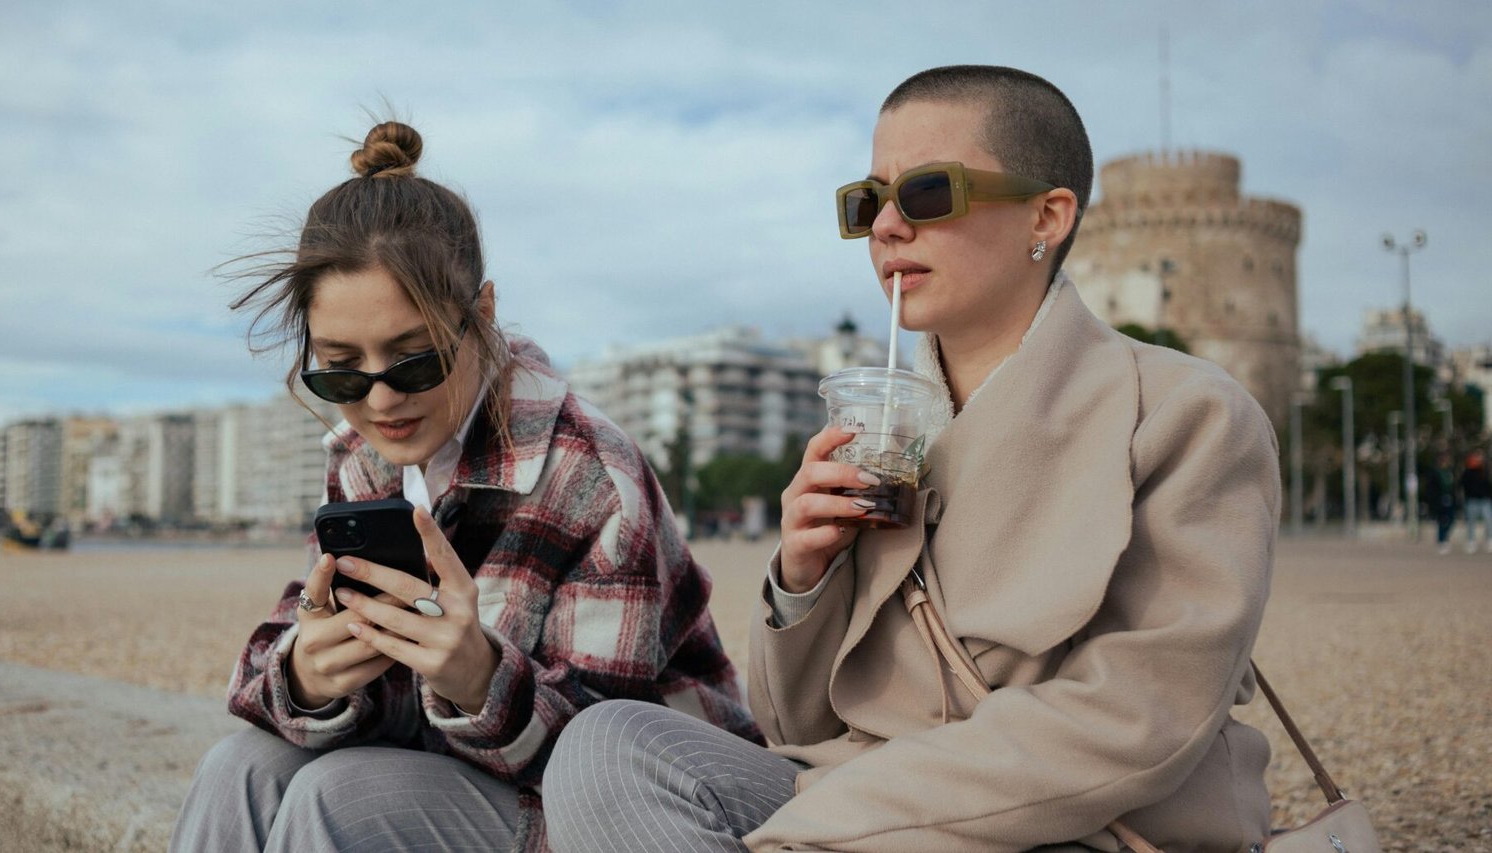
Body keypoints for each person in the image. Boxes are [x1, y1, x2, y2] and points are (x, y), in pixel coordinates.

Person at [544, 65, 1281, 852]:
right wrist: (803, 577)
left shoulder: (1185, 414)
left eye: (929, 194)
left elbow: (1139, 718)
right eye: (868, 203)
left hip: (1079, 826)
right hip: (854, 792)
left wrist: (820, 830)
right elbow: (798, 726)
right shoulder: (881, 433)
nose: (886, 227)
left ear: (1048, 214)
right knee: (606, 744)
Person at [171, 120, 759, 853]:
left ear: (480, 314)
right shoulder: (363, 457)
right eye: (341, 369)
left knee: (335, 797)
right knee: (242, 766)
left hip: (650, 804)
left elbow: (605, 769)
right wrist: (305, 674)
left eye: (415, 360)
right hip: (472, 772)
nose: (380, 399)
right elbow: (291, 653)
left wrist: (481, 679)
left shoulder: (591, 476)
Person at [1424, 450, 1459, 555]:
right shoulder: (1435, 472)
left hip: (1450, 499)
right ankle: (1442, 540)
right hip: (1439, 500)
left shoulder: (1450, 472)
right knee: (1442, 521)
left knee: (1451, 519)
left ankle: (1444, 538)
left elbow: (1453, 487)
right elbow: (1431, 488)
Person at [1459, 449, 1490, 553]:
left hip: (1485, 500)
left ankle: (1489, 540)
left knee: (1489, 520)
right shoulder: (1468, 471)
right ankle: (1471, 541)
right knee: (1471, 522)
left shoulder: (1485, 471)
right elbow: (1462, 484)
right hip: (1472, 500)